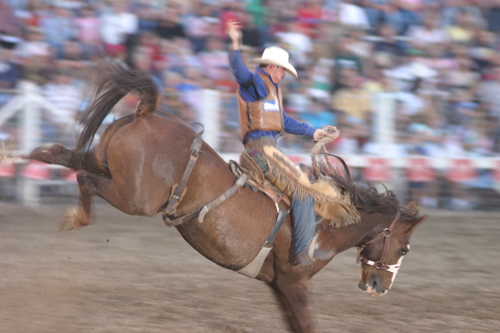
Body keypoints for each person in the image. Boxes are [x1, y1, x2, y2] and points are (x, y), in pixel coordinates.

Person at [226, 20, 329, 267]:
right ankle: (301, 252)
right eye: (283, 70)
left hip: (269, 148)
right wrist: (235, 44)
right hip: (264, 149)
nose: (284, 75)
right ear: (272, 67)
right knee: (304, 192)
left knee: (301, 184)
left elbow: (283, 120)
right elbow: (240, 73)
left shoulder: (270, 89)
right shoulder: (258, 83)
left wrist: (312, 131)